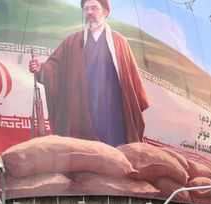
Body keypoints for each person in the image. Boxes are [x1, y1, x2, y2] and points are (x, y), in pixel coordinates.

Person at [28, 0, 149, 146]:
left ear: (105, 12)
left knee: (115, 152)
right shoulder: (72, 41)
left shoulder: (119, 42)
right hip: (82, 107)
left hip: (112, 108)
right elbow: (54, 67)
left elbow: (132, 82)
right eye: (86, 9)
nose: (90, 12)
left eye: (94, 8)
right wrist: (41, 69)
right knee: (84, 150)